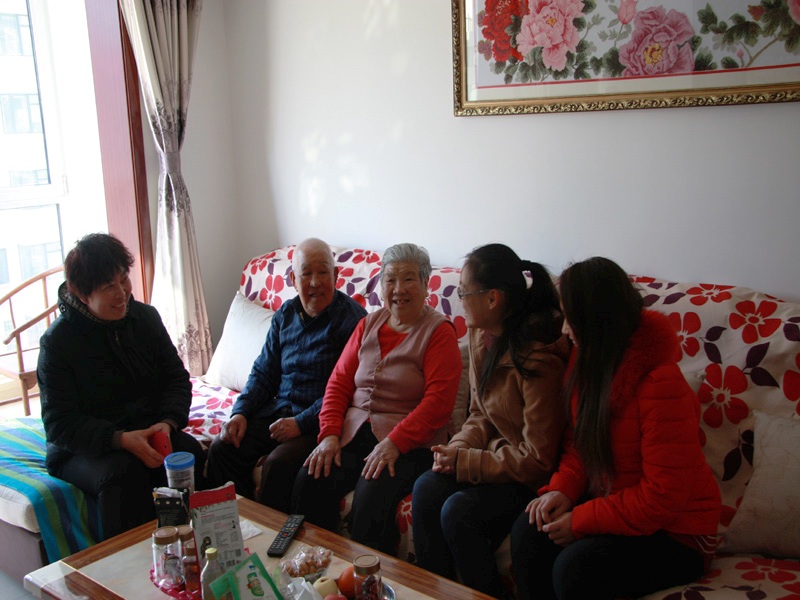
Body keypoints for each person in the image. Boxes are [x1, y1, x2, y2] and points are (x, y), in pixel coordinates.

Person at [510, 257, 722, 600]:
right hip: (617, 505)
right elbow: (579, 447)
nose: (564, 330)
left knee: (575, 569)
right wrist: (562, 491)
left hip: (678, 533)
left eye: (570, 319)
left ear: (595, 320)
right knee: (530, 530)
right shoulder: (588, 362)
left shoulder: (661, 383)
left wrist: (580, 520)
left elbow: (662, 498)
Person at [411, 244, 569, 598]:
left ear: (493, 298)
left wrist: (467, 462)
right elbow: (480, 413)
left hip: (529, 478)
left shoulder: (538, 358)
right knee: (427, 485)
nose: (460, 300)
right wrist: (456, 449)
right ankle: (431, 593)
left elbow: (538, 460)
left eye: (464, 292)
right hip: (496, 461)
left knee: (458, 511)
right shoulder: (482, 334)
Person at [291, 243, 462, 555]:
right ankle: (313, 566)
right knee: (311, 476)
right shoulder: (367, 324)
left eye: (408, 279)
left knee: (371, 496)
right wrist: (329, 435)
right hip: (356, 434)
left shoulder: (439, 332)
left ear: (426, 284)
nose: (398, 289)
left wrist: (395, 442)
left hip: (411, 445)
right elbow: (338, 384)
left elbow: (438, 404)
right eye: (390, 280)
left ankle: (366, 577)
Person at [38, 233, 205, 540]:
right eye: (108, 287)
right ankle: (122, 562)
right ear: (82, 294)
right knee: (123, 474)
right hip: (84, 448)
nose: (122, 293)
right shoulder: (58, 343)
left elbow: (176, 378)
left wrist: (167, 422)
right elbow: (59, 424)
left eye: (124, 279)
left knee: (189, 452)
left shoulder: (145, 319)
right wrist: (120, 439)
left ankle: (197, 546)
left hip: (148, 430)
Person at [206, 238, 366, 511]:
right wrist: (240, 412)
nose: (315, 282)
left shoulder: (353, 321)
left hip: (320, 421)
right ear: (293, 279)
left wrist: (301, 423)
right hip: (279, 410)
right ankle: (241, 526)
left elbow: (348, 389)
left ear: (336, 275)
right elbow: (263, 371)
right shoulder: (286, 314)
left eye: (323, 272)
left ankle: (275, 536)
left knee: (278, 465)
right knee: (223, 448)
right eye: (306, 274)